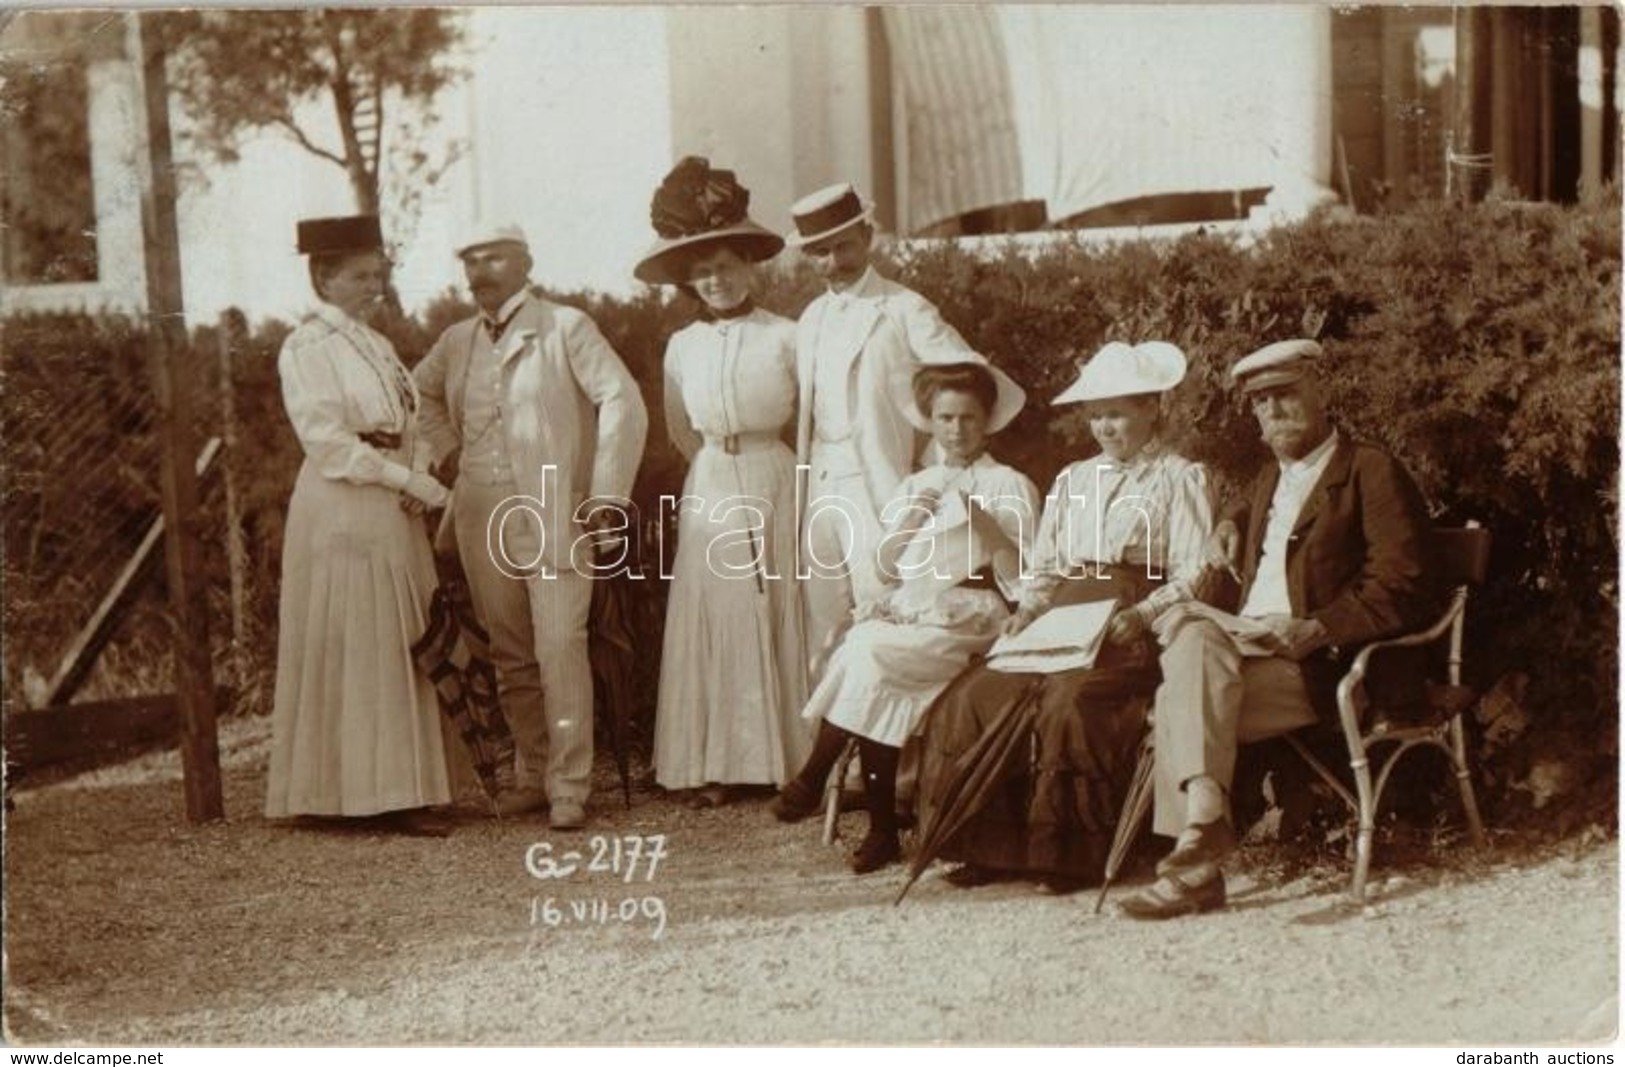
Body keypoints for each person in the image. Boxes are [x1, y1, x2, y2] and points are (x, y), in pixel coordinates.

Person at [1119, 338, 1435, 920]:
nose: (1274, 412)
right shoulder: (1268, 480)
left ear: (1321, 393)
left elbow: (1404, 584)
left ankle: (1199, 861)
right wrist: (1227, 522)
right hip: (1240, 654)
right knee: (1190, 647)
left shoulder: (1370, 470)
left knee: (1176, 695)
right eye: (1261, 402)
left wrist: (1317, 627)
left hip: (1319, 665)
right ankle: (1204, 832)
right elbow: (1260, 515)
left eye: (1286, 394)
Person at [916, 341, 1216, 893]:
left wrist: (1144, 615)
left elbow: (1196, 570)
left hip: (1129, 617)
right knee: (978, 692)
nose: (1104, 426)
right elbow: (1048, 566)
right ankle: (990, 848)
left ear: (1152, 408)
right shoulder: (1074, 479)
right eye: (1096, 414)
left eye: (1118, 413)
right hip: (1063, 611)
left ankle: (1066, 855)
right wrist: (1025, 611)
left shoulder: (1180, 477)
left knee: (1070, 701)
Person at [414, 220, 649, 831]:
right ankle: (532, 773)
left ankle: (570, 784)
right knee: (510, 649)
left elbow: (622, 399)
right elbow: (418, 394)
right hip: (480, 509)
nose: (479, 273)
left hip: (552, 507)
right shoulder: (458, 339)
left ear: (525, 263)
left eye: (492, 259)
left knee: (559, 645)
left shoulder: (565, 326)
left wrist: (604, 496)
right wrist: (446, 453)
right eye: (470, 262)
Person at [772, 361, 1037, 874]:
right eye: (944, 418)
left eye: (968, 419)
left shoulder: (1009, 484)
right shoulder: (917, 483)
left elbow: (1022, 576)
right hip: (918, 610)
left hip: (974, 619)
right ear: (930, 423)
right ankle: (880, 831)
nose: (956, 430)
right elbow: (886, 567)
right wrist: (916, 516)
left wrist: (985, 527)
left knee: (869, 651)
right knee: (872, 656)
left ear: (988, 423)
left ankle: (818, 776)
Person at [265, 214, 457, 835]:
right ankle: (355, 794)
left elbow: (403, 421)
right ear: (323, 277)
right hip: (343, 503)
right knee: (359, 638)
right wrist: (407, 481)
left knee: (396, 634)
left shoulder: (374, 343)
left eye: (378, 275)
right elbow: (327, 440)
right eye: (359, 276)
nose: (374, 287)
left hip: (389, 500)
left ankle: (404, 785)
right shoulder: (309, 345)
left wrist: (419, 468)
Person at [633, 158, 811, 807]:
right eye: (702, 271)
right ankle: (712, 760)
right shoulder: (682, 346)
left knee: (775, 605)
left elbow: (810, 417)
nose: (715, 279)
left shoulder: (787, 337)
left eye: (726, 265)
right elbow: (679, 426)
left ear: (749, 267)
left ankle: (783, 758)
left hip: (772, 471)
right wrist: (716, 461)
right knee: (719, 607)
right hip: (711, 476)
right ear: (687, 279)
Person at [788, 182, 990, 678]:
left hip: (878, 483)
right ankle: (834, 752)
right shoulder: (811, 317)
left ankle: (882, 747)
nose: (833, 261)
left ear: (868, 236)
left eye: (844, 246)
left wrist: (938, 471)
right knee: (823, 620)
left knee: (882, 610)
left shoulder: (905, 309)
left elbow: (970, 376)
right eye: (820, 251)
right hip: (819, 484)